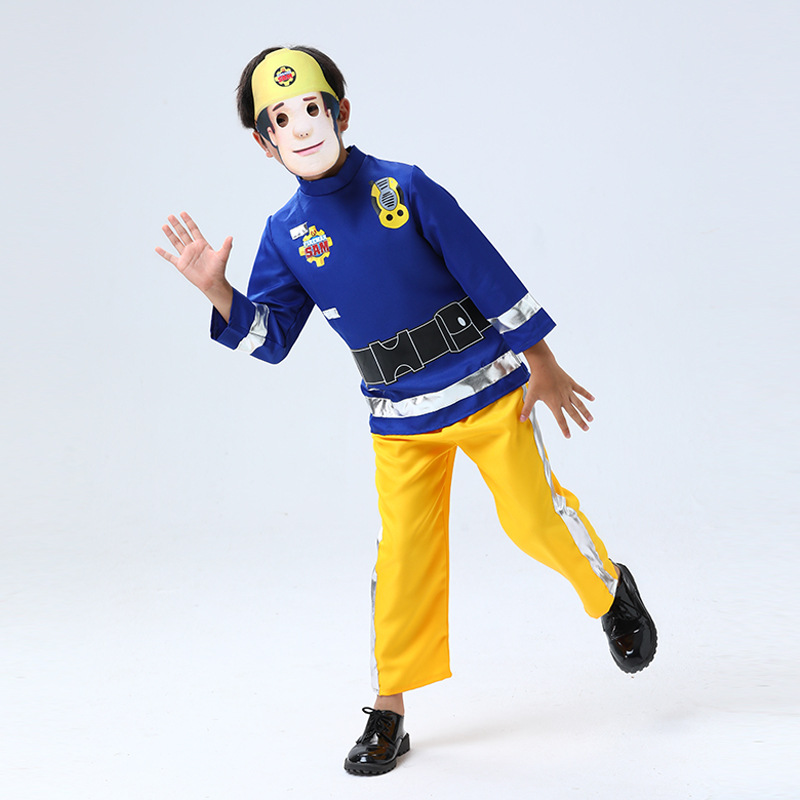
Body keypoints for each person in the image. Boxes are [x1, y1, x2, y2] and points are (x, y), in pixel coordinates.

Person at [156, 45, 657, 776]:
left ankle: (609, 589)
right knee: (402, 561)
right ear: (265, 143)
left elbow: (484, 268)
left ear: (341, 112)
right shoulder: (286, 235)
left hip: (487, 387)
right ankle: (388, 708)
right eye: (281, 119)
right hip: (399, 419)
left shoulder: (405, 186)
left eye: (312, 108)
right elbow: (272, 339)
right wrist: (217, 292)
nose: (302, 126)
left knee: (532, 517)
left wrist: (542, 362)